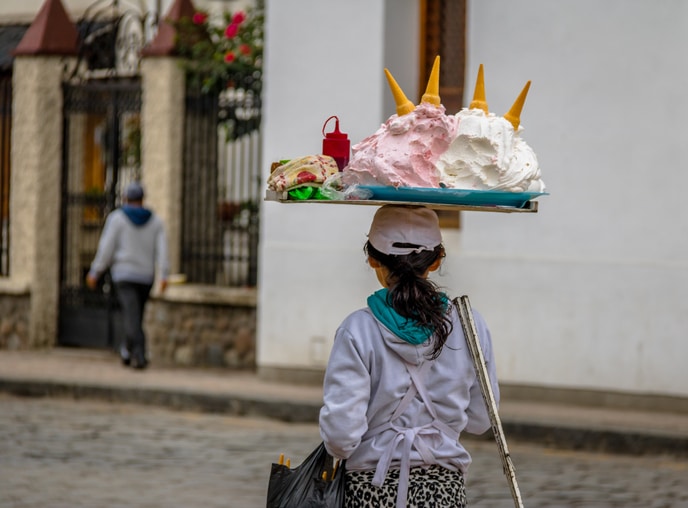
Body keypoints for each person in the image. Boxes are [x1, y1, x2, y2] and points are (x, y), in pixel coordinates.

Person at [319, 205, 499, 508]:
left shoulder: (356, 330)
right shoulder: (471, 324)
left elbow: (341, 436)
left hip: (371, 490)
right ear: (437, 260)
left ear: (373, 258)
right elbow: (481, 420)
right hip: (445, 490)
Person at [86, 182, 169, 370]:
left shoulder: (117, 219)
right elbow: (163, 251)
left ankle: (138, 354)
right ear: (142, 199)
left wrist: (95, 271)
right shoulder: (156, 221)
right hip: (145, 276)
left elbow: (106, 248)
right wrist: (163, 274)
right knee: (135, 316)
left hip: (123, 275)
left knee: (132, 317)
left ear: (125, 199)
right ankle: (128, 349)